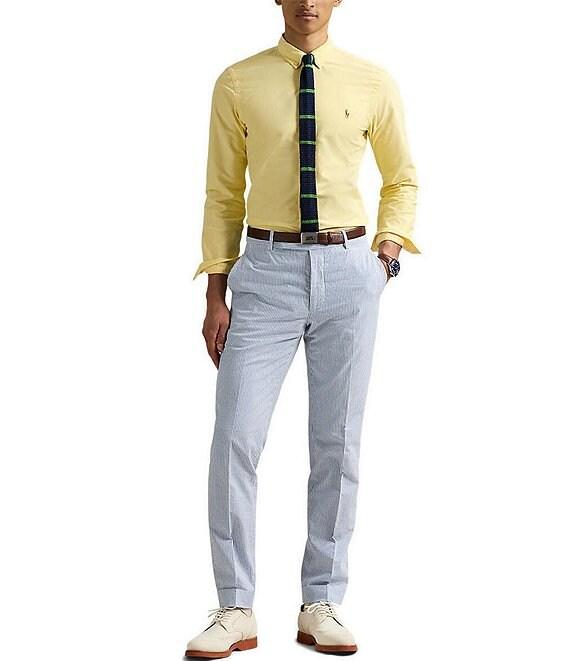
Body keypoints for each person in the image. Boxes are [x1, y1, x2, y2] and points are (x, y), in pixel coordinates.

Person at [185, 0, 419, 656]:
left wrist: (384, 257)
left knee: (337, 442)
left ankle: (322, 600)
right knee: (235, 437)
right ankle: (235, 606)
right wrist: (216, 291)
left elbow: (401, 179)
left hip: (349, 270)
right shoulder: (238, 81)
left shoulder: (372, 81)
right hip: (266, 272)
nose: (307, 3)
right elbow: (222, 193)